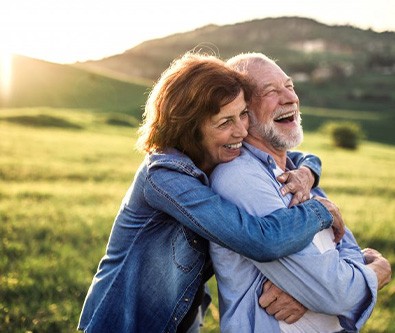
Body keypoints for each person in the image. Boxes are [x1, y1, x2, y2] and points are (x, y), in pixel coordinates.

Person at [77, 51, 345, 333]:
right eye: (225, 123)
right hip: (126, 324)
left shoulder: (215, 157)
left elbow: (298, 156)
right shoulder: (164, 177)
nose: (241, 131)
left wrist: (307, 173)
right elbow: (259, 240)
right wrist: (320, 210)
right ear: (190, 130)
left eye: (242, 114)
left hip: (184, 320)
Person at [209, 52, 392, 332]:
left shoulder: (298, 173)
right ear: (242, 113)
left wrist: (313, 294)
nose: (290, 98)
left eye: (290, 86)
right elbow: (336, 293)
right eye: (271, 91)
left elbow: (345, 250)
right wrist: (377, 271)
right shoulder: (240, 178)